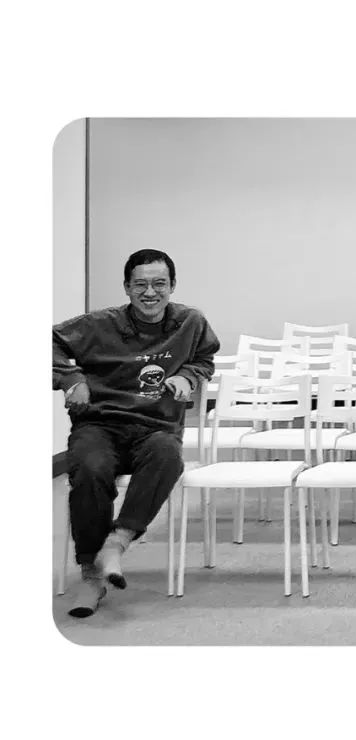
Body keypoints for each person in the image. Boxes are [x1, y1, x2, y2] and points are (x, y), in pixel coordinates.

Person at [53, 249, 219, 618]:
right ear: (127, 288)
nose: (150, 292)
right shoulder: (98, 325)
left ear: (172, 286)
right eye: (140, 284)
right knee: (89, 468)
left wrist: (188, 376)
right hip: (99, 425)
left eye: (159, 283)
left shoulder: (190, 322)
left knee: (167, 456)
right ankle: (91, 576)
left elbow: (204, 358)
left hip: (155, 426)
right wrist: (71, 378)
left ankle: (116, 543)